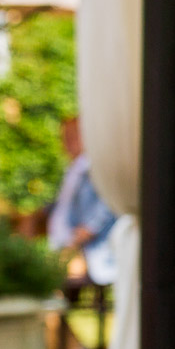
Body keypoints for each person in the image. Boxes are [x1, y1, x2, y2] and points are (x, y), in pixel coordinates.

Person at [47, 116, 117, 286]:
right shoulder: (73, 169)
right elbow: (64, 205)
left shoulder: (97, 167)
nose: (67, 141)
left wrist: (85, 232)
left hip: (90, 251)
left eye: (73, 135)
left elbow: (108, 200)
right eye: (65, 136)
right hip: (65, 247)